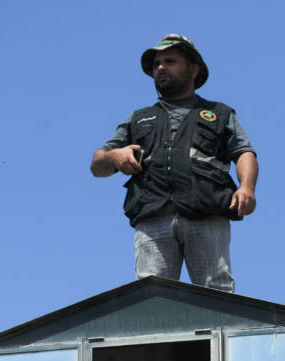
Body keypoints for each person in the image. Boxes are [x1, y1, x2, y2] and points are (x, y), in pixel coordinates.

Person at [91, 33, 258, 293]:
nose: (160, 68)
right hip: (152, 215)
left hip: (205, 211)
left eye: (170, 61)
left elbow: (243, 151)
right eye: (156, 63)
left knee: (216, 290)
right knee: (152, 295)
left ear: (194, 69)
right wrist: (115, 156)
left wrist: (246, 187)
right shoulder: (138, 119)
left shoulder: (219, 113)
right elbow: (97, 165)